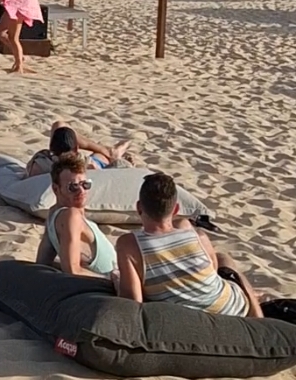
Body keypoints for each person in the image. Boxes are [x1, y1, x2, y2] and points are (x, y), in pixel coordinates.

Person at [116, 171, 263, 317]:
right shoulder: (199, 236)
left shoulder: (128, 245)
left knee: (222, 258)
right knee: (224, 259)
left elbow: (133, 301)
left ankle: (251, 298)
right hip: (233, 308)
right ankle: (254, 303)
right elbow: (213, 270)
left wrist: (116, 282)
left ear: (139, 207)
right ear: (176, 209)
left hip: (189, 319)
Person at [34, 153, 117, 277]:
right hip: (109, 284)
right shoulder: (71, 216)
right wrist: (110, 279)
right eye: (73, 187)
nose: (81, 191)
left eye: (85, 184)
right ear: (56, 189)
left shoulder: (54, 214)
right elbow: (72, 270)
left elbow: (43, 263)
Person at [27, 122, 132, 177]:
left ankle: (110, 152)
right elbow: (104, 175)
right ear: (77, 148)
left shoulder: (40, 163)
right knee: (101, 157)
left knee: (60, 126)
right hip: (94, 163)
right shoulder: (85, 164)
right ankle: (113, 154)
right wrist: (118, 162)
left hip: (57, 159)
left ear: (51, 148)